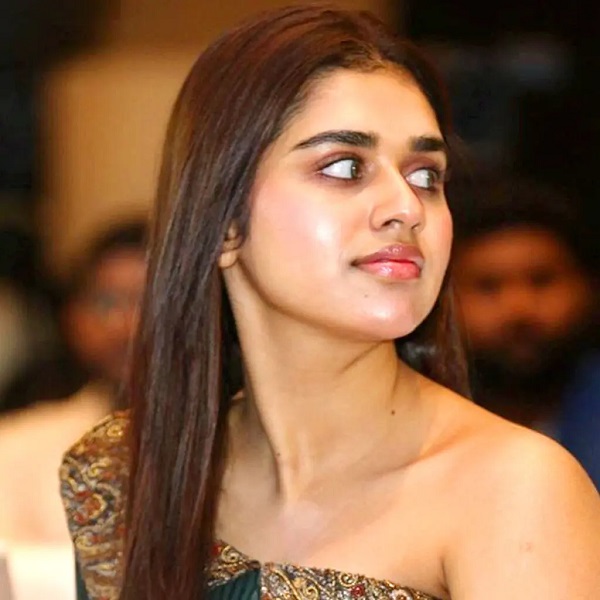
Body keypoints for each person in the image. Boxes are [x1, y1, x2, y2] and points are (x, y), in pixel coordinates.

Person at [60, 6, 600, 600]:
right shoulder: (124, 475)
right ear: (224, 224)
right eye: (345, 167)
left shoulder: (511, 489)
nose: (406, 207)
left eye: (426, 175)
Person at [0, 221, 147, 600]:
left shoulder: (238, 441)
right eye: (106, 303)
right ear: (73, 319)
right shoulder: (16, 444)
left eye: (146, 302)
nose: (126, 326)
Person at [451, 175, 600, 487]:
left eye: (542, 280)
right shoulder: (411, 425)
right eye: (488, 286)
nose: (518, 309)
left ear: (587, 288)